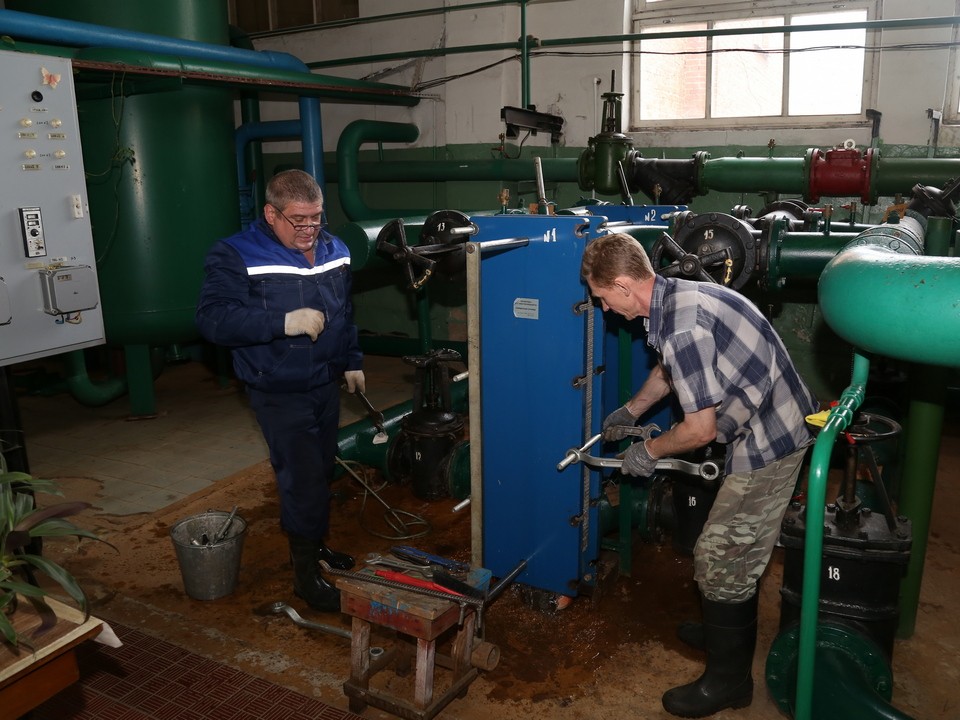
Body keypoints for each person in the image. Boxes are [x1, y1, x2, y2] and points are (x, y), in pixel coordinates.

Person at [580, 232, 818, 718]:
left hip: (772, 438)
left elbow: (698, 429)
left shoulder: (682, 326)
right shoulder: (675, 297)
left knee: (721, 558)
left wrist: (647, 450)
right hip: (766, 417)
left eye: (603, 299)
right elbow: (672, 372)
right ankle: (720, 630)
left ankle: (730, 682)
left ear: (625, 286)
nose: (604, 311)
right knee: (728, 551)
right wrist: (631, 409)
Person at [196, 169, 364, 613]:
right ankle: (305, 577)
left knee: (322, 469)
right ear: (271, 214)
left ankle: (316, 546)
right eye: (298, 220)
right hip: (278, 389)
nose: (310, 230)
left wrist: (352, 361)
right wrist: (281, 323)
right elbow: (212, 320)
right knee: (303, 480)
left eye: (316, 219)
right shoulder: (236, 254)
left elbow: (345, 311)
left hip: (325, 384)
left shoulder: (335, 249)